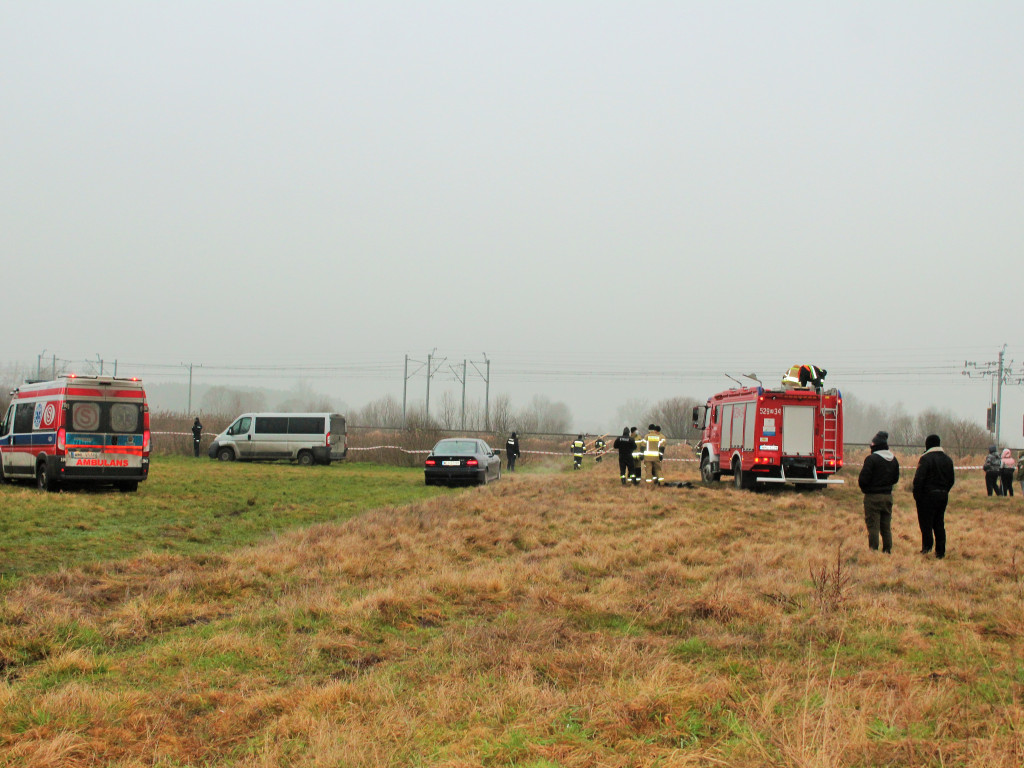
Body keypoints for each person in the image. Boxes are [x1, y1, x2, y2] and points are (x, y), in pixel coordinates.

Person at [912, 434, 955, 559]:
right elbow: (951, 479)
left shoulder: (925, 459)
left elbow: (919, 479)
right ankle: (940, 552)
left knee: (926, 523)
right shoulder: (948, 459)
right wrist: (944, 490)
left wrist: (918, 496)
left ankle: (927, 548)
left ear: (927, 444)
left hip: (927, 497)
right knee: (939, 523)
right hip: (942, 496)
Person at [858, 430, 900, 553]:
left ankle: (873, 551)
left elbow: (863, 480)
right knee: (886, 527)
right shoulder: (893, 459)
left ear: (875, 446)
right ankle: (887, 550)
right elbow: (896, 478)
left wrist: (866, 490)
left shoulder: (871, 459)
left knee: (873, 527)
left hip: (872, 497)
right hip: (887, 497)